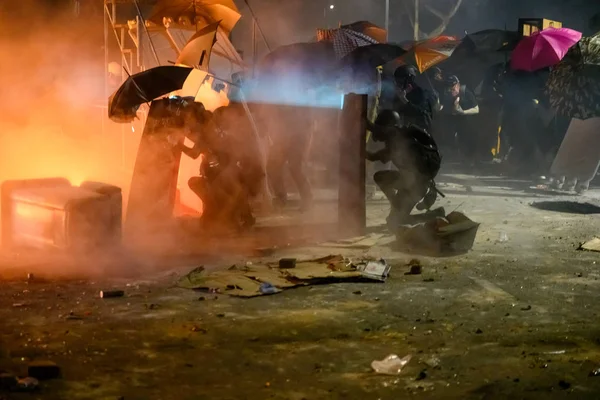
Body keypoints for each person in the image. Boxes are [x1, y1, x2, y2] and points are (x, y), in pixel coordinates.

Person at [366, 110, 442, 228]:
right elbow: (372, 156)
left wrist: (364, 122)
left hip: (416, 187)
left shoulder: (400, 139)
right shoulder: (398, 142)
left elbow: (377, 134)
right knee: (394, 220)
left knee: (395, 222)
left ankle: (432, 216)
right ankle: (398, 205)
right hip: (408, 183)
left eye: (381, 125)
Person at [439, 75, 480, 164]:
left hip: (467, 121)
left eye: (452, 88)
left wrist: (463, 112)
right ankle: (455, 158)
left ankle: (469, 160)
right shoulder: (447, 94)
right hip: (453, 121)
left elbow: (476, 109)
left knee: (466, 140)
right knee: (451, 139)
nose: (450, 91)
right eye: (448, 88)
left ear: (458, 85)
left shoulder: (466, 92)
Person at [392, 65, 436, 132]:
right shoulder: (400, 94)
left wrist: (405, 100)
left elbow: (423, 115)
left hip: (419, 133)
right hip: (402, 132)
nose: (398, 84)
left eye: (401, 81)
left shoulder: (420, 93)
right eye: (397, 81)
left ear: (409, 79)